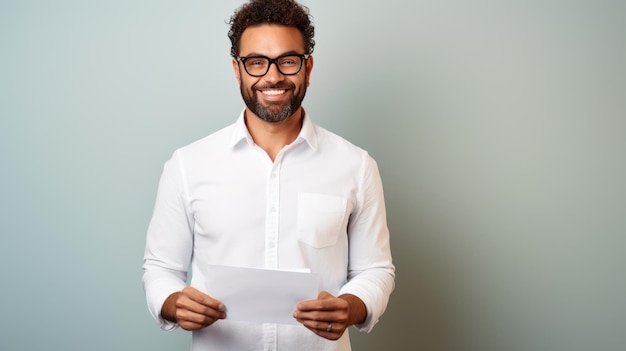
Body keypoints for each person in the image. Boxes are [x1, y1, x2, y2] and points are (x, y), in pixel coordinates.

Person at [142, 0, 395, 349]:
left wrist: (352, 307)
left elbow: (376, 270)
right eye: (256, 63)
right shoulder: (188, 165)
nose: (273, 76)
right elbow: (160, 268)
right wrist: (173, 303)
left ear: (308, 68)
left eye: (287, 61)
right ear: (237, 69)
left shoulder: (356, 166)